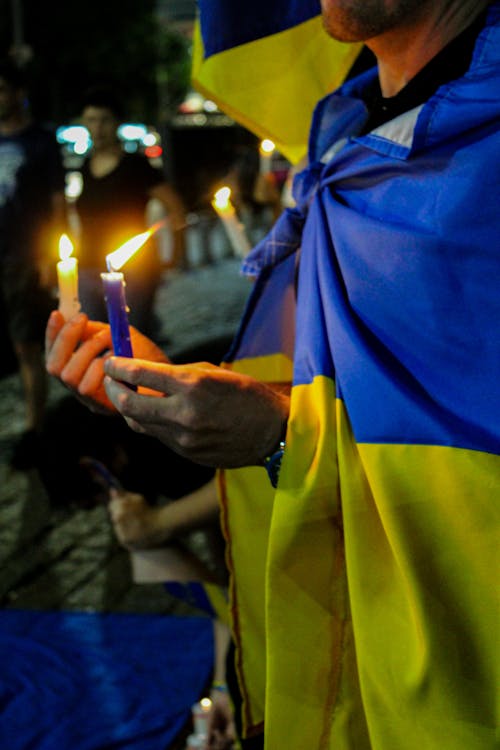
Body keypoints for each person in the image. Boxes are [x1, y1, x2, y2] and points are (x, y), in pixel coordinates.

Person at [45, 1, 499, 748]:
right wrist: (177, 391)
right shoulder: (336, 137)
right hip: (332, 657)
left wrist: (281, 435)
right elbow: (346, 380)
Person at [74, 86, 187, 337]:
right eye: (91, 120)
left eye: (104, 120)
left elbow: (174, 206)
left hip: (134, 269)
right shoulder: (84, 166)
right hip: (88, 266)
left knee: (133, 340)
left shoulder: (136, 165)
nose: (98, 128)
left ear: (116, 123)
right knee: (97, 340)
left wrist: (178, 251)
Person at [0, 59, 66, 469]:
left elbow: (59, 204)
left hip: (24, 258)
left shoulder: (41, 142)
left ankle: (34, 427)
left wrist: (50, 257)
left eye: (3, 89)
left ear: (17, 92)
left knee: (27, 345)